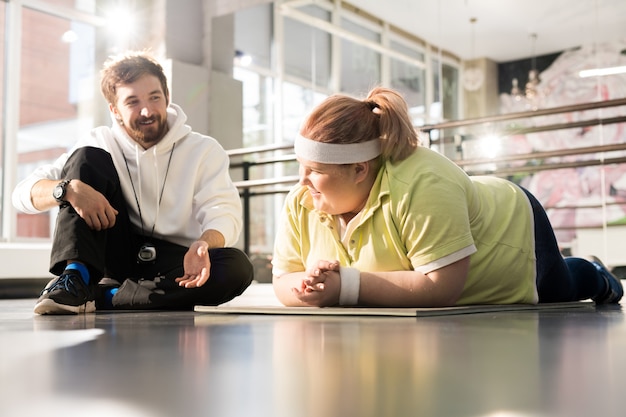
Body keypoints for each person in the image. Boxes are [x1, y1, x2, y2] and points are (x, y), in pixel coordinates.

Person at [271, 86, 623, 308]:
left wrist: (341, 286)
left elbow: (439, 289)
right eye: (301, 166)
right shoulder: (300, 200)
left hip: (513, 229)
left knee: (561, 288)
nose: (302, 181)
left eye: (315, 170)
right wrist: (306, 287)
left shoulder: (424, 183)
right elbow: (284, 281)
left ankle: (592, 271)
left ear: (360, 169)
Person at [13, 50, 253, 314]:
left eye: (154, 97)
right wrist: (67, 190)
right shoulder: (98, 141)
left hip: (174, 261)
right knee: (85, 159)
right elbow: (22, 194)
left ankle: (106, 297)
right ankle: (76, 277)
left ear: (167, 97)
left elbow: (224, 212)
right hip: (116, 249)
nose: (147, 110)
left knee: (236, 267)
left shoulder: (204, 149)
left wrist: (204, 243)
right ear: (114, 110)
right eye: (133, 102)